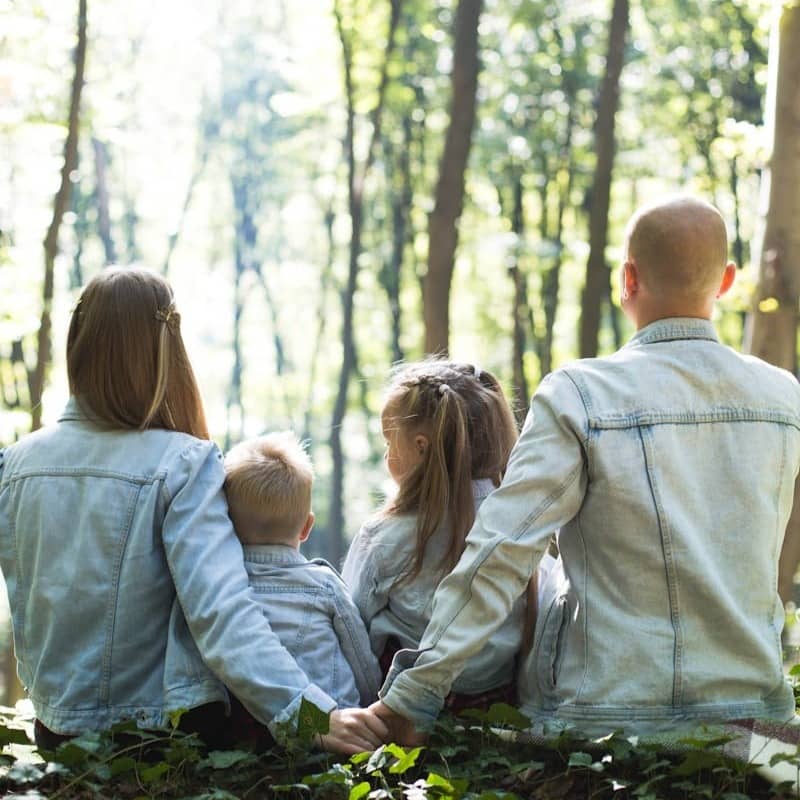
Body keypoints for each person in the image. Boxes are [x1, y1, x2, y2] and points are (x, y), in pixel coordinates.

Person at [369, 196, 800, 742]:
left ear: (627, 279)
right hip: (756, 720)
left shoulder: (581, 395)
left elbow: (502, 551)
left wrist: (415, 695)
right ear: (727, 282)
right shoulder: (784, 398)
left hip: (605, 719)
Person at [0, 267, 386, 753]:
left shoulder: (13, 464)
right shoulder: (183, 463)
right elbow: (222, 614)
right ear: (165, 352)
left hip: (55, 734)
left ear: (78, 342)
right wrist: (310, 716)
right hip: (159, 738)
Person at [342, 359, 533, 710]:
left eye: (389, 441)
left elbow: (352, 626)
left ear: (420, 446)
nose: (387, 454)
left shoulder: (385, 536)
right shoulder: (520, 525)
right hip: (496, 702)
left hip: (404, 707)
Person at [222, 431, 380, 715]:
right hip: (334, 722)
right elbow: (361, 660)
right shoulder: (324, 585)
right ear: (307, 527)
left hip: (253, 731)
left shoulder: (220, 588)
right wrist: (370, 703)